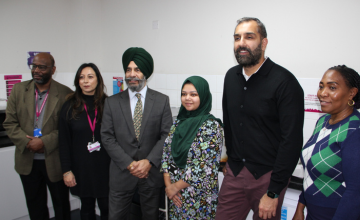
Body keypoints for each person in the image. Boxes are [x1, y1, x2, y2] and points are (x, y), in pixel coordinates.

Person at [216, 17, 304, 220]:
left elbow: (291, 141)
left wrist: (274, 191)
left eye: (249, 37)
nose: (241, 43)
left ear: (264, 43)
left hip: (268, 177)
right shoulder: (231, 77)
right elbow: (229, 124)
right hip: (235, 173)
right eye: (237, 38)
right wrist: (230, 162)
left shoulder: (285, 82)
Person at [101, 47, 173, 220]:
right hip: (122, 174)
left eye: (137, 70)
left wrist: (148, 162)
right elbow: (107, 137)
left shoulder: (162, 101)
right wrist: (130, 164)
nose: (132, 74)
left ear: (146, 73)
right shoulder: (111, 103)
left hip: (150, 175)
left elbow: (167, 135)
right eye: (128, 69)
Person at [3, 52, 72, 220]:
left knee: (61, 206)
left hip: (55, 161)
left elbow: (68, 129)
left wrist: (44, 141)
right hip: (27, 161)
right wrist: (28, 143)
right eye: (34, 66)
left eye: (42, 67)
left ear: (53, 69)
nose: (36, 70)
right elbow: (9, 123)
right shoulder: (19, 90)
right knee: (35, 206)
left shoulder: (65, 94)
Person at [292, 65, 360, 220]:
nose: (322, 93)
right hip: (313, 212)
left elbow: (355, 192)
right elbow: (311, 171)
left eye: (332, 87)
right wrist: (300, 208)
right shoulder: (323, 121)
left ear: (352, 93)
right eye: (321, 87)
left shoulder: (355, 130)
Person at [161, 76, 223, 219]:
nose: (187, 98)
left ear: (203, 96)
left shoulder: (211, 126)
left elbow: (203, 168)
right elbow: (166, 153)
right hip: (175, 196)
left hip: (198, 197)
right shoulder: (179, 122)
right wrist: (168, 186)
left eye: (193, 94)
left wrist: (174, 188)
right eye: (184, 94)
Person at [59, 63, 110, 220]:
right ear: (77, 81)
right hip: (81, 169)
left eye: (90, 76)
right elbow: (63, 142)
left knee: (108, 209)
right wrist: (66, 170)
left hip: (106, 169)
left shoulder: (109, 104)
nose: (85, 81)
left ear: (98, 80)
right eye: (81, 77)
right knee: (86, 209)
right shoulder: (69, 106)